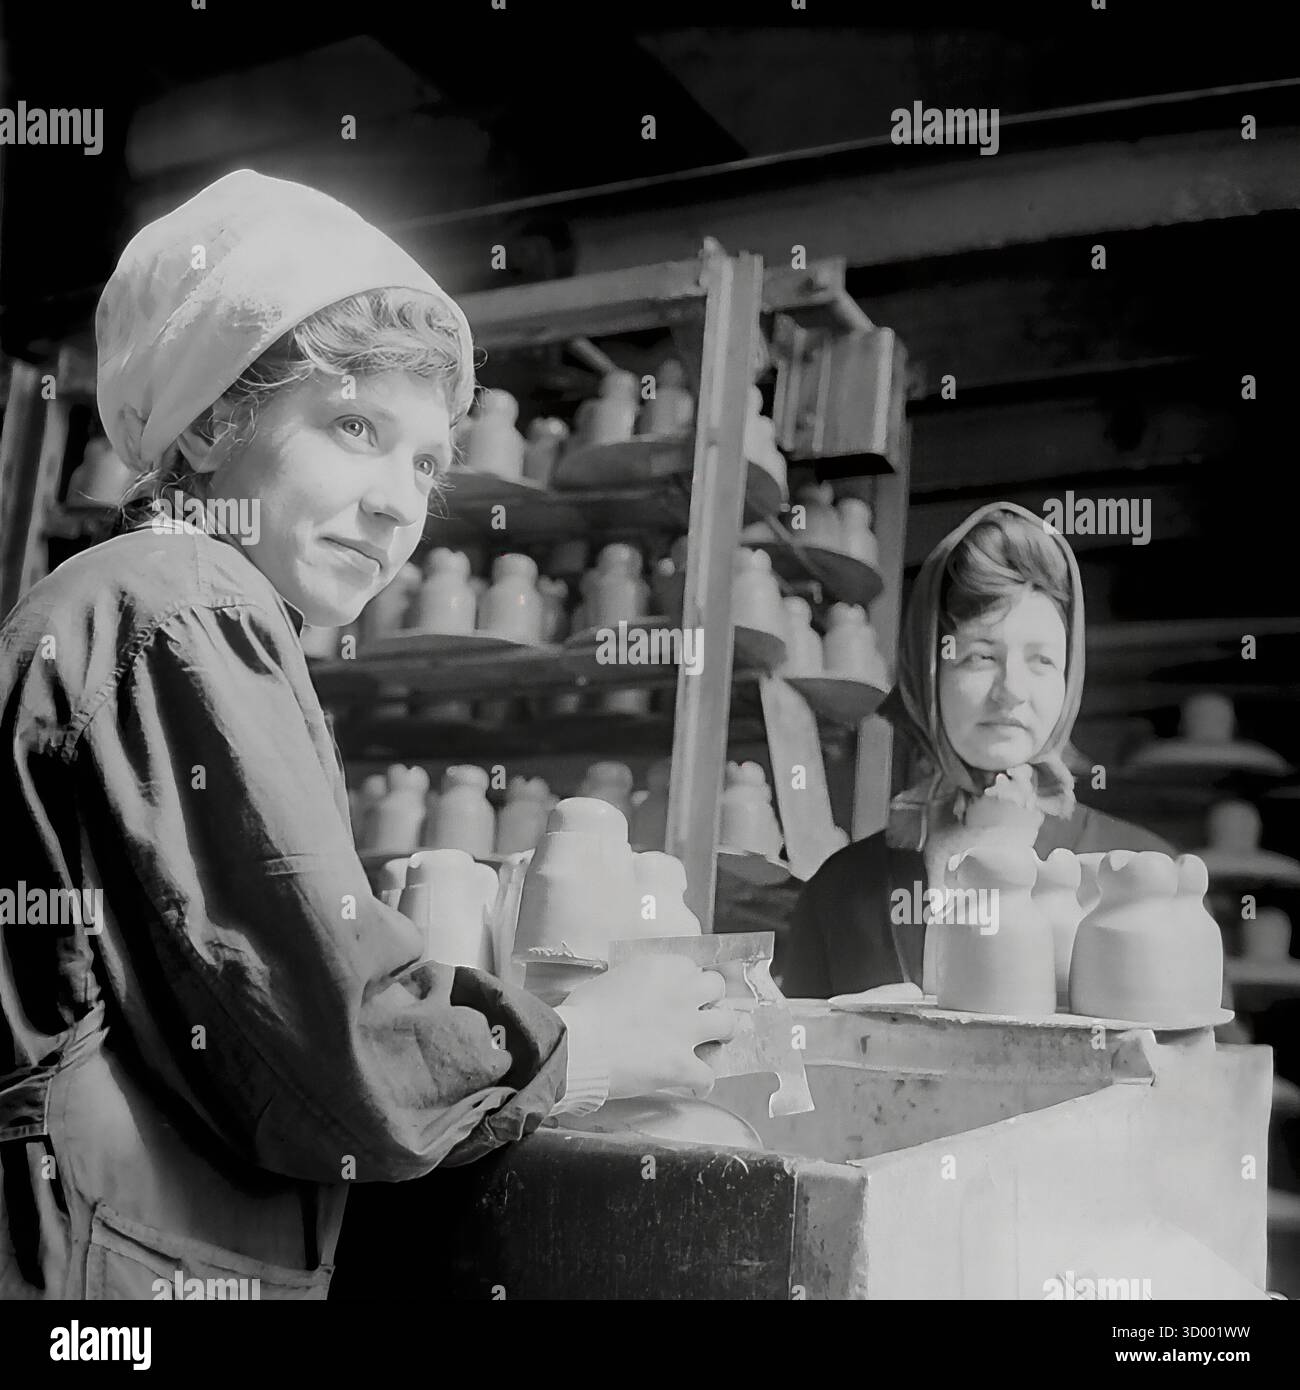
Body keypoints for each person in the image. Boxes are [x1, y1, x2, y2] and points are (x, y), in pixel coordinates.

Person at [0, 170, 733, 1300]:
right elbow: (338, 1059)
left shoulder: (135, 600)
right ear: (209, 424)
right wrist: (580, 1044)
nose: (399, 501)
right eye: (354, 426)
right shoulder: (187, 606)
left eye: (427, 461)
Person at [779, 501, 1171, 999]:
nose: (1012, 690)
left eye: (1043, 660)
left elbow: (1202, 1068)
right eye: (981, 656)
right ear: (927, 672)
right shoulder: (840, 891)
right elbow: (798, 1069)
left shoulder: (1142, 874)